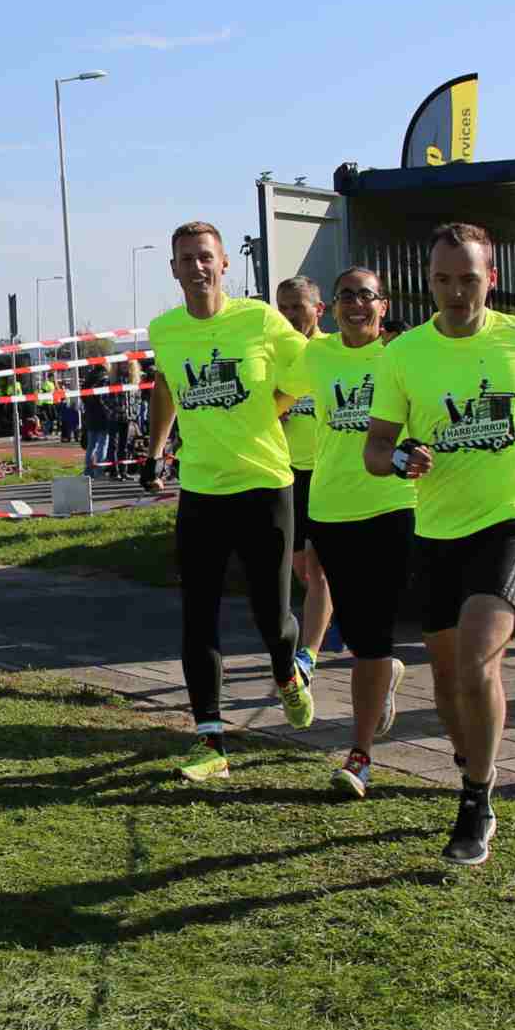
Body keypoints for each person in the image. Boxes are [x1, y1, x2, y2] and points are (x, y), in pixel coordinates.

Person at [364, 222, 515, 865]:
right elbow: (375, 447)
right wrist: (399, 457)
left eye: (468, 279)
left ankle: (477, 797)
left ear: (491, 278)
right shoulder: (404, 354)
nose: (456, 292)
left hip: (512, 519)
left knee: (477, 661)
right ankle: (470, 762)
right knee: (448, 680)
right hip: (437, 530)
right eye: (443, 280)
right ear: (428, 282)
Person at [146, 220, 319, 782]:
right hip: (201, 490)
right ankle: (210, 742)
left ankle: (287, 671)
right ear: (173, 269)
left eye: (206, 257)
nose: (197, 267)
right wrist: (155, 450)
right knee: (198, 616)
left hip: (265, 485)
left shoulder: (259, 320)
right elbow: (167, 385)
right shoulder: (165, 330)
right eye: (186, 259)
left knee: (272, 616)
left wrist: (272, 408)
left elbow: (306, 372)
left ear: (223, 264)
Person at [300, 265, 414, 798]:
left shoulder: (403, 355)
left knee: (376, 632)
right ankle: (382, 675)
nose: (355, 304)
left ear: (382, 305)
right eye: (346, 295)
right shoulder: (315, 356)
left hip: (394, 505)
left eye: (365, 296)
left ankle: (360, 755)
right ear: (332, 306)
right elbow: (273, 396)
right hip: (331, 509)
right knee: (362, 636)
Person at [274, 274, 332, 683]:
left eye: (298, 307)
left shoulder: (331, 352)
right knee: (302, 570)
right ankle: (326, 623)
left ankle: (308, 655)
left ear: (319, 309)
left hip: (329, 473)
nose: (291, 315)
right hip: (288, 473)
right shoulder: (277, 357)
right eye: (284, 308)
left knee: (319, 567)